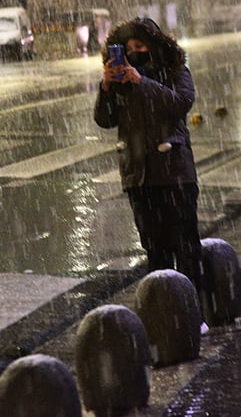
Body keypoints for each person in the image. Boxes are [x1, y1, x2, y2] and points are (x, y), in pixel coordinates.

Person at [94, 17, 205, 305]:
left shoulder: (175, 70)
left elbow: (179, 103)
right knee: (155, 249)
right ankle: (163, 312)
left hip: (174, 173)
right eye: (128, 48)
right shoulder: (119, 81)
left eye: (140, 46)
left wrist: (142, 83)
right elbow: (105, 119)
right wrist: (106, 88)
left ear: (154, 45)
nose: (134, 53)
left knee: (185, 246)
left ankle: (194, 310)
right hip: (138, 175)